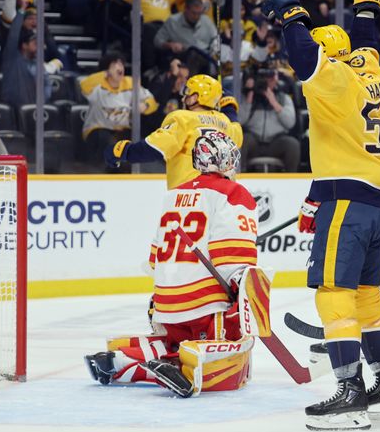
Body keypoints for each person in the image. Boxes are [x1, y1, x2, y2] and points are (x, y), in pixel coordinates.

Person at [261, 0, 380, 430]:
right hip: (379, 201)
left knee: (334, 296)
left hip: (349, 203)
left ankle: (350, 394)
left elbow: (304, 55)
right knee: (366, 297)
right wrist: (366, 2)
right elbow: (366, 41)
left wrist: (289, 13)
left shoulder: (334, 80)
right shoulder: (369, 71)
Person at [85, 131, 270, 397]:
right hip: (205, 312)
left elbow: (152, 263)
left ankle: (124, 360)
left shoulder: (173, 194)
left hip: (165, 308)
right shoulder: (235, 193)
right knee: (234, 354)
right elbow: (235, 263)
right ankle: (187, 364)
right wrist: (249, 298)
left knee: (175, 342)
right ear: (226, 159)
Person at [104, 74, 242, 189]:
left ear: (195, 98)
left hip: (190, 196)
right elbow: (237, 133)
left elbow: (155, 148)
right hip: (224, 195)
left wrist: (124, 152)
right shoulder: (226, 124)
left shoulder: (183, 119)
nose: (183, 98)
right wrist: (228, 104)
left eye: (187, 94)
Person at [80, 53, 158, 169]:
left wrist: (145, 105)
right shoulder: (97, 85)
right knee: (105, 140)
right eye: (115, 64)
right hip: (97, 129)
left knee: (137, 142)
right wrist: (105, 73)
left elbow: (152, 101)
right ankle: (99, 172)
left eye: (121, 64)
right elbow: (83, 86)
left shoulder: (130, 83)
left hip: (122, 130)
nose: (119, 67)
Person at [238, 66, 299, 172]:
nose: (266, 81)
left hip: (276, 142)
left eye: (270, 78)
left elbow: (290, 123)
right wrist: (250, 95)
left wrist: (274, 102)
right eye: (263, 78)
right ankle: (240, 176)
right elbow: (239, 120)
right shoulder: (246, 96)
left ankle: (291, 180)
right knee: (242, 140)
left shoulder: (283, 98)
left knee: (292, 144)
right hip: (253, 141)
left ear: (275, 79)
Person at [153, 0, 219, 77]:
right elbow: (157, 41)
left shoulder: (206, 20)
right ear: (185, 9)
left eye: (199, 13)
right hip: (184, 56)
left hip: (206, 55)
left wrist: (214, 48)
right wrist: (170, 45)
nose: (196, 16)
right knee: (193, 54)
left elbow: (216, 38)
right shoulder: (173, 21)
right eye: (194, 13)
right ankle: (187, 85)